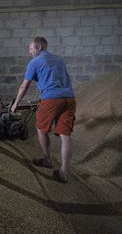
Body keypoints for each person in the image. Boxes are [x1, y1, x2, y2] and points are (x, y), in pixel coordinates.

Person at [10, 37, 76, 183]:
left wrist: (15, 104)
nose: (30, 51)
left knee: (41, 129)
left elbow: (24, 86)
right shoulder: (59, 59)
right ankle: (64, 172)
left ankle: (47, 160)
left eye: (31, 48)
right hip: (70, 98)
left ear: (39, 47)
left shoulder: (34, 62)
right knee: (65, 135)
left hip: (51, 99)